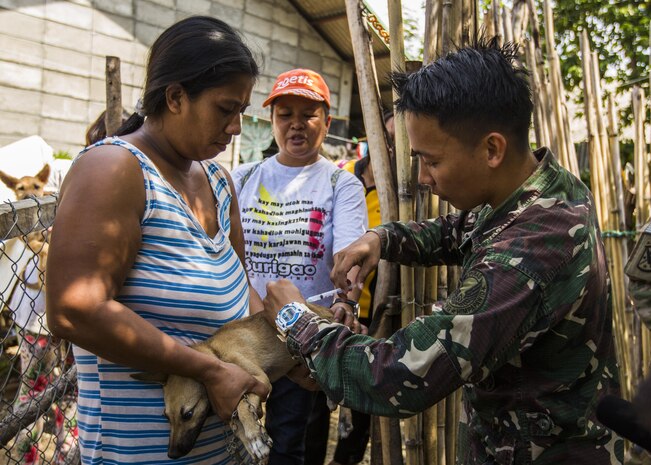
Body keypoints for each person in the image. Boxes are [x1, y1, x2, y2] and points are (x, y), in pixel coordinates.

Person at [260, 37, 624, 465]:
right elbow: (457, 230)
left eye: (431, 160)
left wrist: (295, 319)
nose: (424, 178)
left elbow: (396, 374)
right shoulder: (541, 189)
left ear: (492, 149)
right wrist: (382, 238)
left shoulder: (532, 252)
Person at [46, 16, 268, 465]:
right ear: (175, 97)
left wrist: (293, 341)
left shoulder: (218, 184)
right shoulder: (113, 171)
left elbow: (240, 291)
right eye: (226, 109)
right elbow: (73, 310)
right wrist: (208, 369)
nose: (236, 127)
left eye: (242, 110)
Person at [231, 68, 367, 465]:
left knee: (291, 446)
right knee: (238, 441)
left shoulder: (341, 185)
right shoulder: (243, 178)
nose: (296, 124)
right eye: (285, 113)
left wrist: (348, 295)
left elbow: (349, 259)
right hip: (243, 336)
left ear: (326, 119)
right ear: (271, 120)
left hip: (303, 343)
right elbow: (225, 254)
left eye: (308, 114)